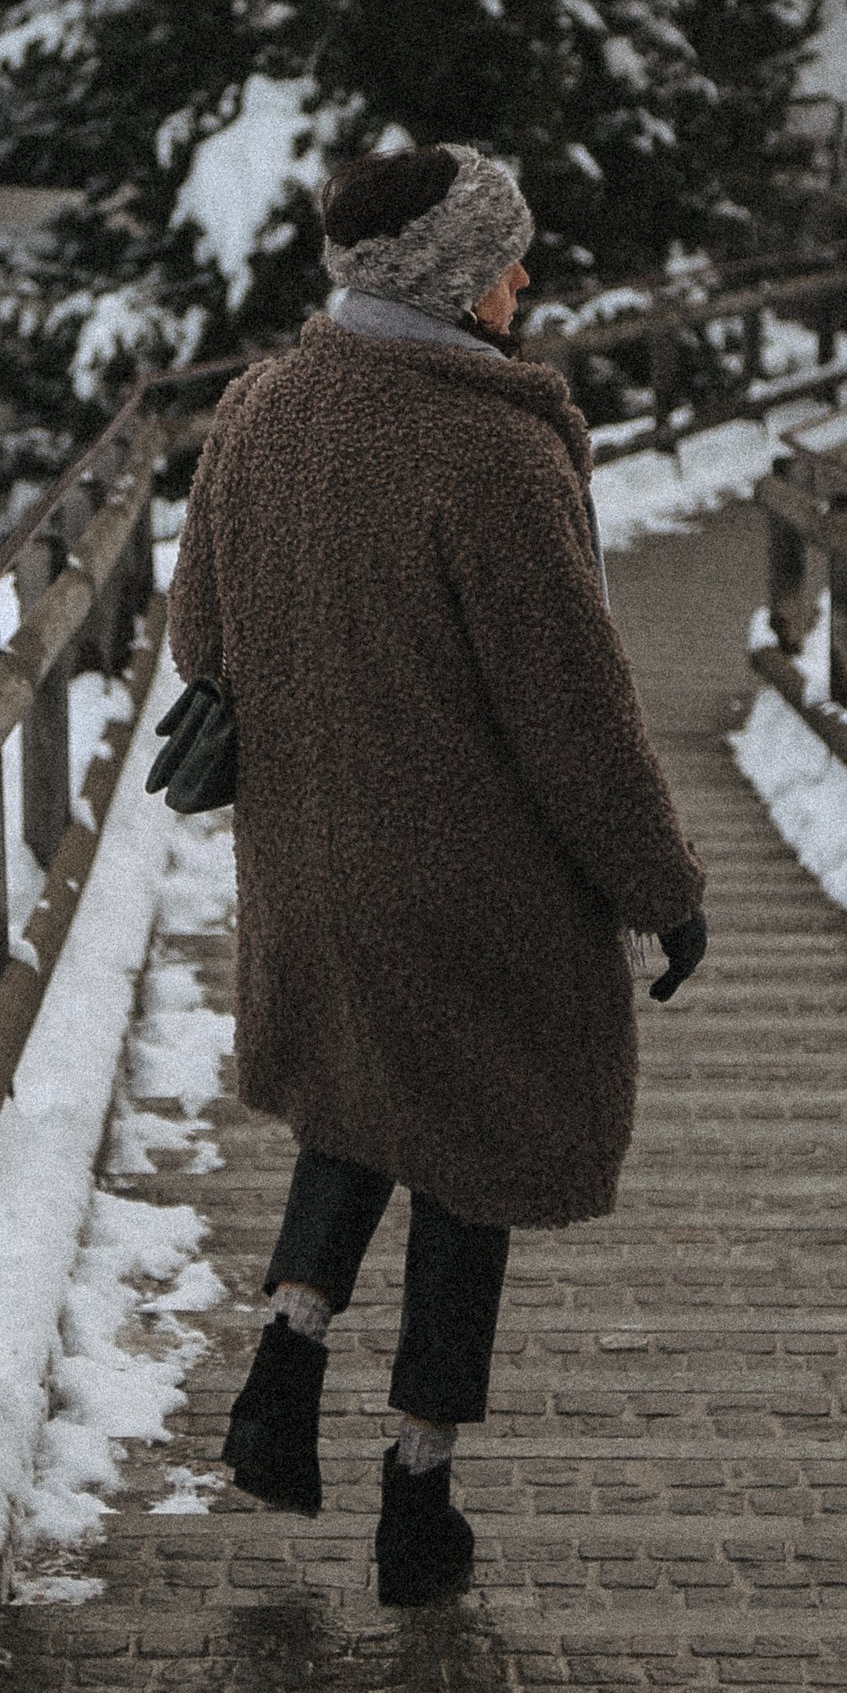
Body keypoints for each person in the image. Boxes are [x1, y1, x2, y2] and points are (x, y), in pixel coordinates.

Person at [166, 143, 708, 1608]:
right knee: (472, 1145)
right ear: (454, 282)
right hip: (476, 880)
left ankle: (282, 1371)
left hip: (312, 865)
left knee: (355, 1097)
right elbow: (574, 710)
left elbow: (200, 640)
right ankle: (419, 1491)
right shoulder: (492, 448)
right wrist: (664, 883)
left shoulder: (259, 412)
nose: (525, 282)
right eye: (506, 261)